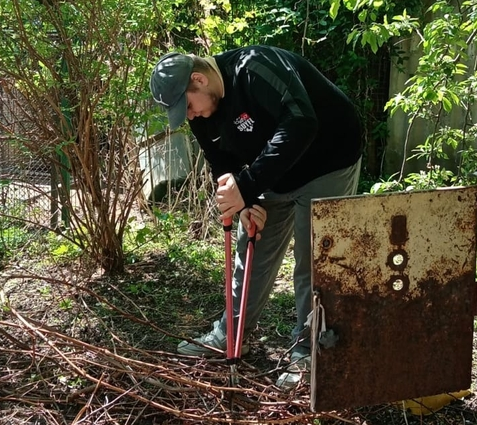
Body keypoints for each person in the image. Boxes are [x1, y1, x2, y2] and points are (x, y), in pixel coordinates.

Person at [149, 45, 362, 389]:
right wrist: (244, 202)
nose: (190, 116)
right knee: (252, 244)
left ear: (199, 80)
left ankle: (309, 352)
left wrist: (247, 186)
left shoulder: (255, 68)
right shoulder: (204, 112)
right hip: (276, 172)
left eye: (188, 106)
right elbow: (220, 160)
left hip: (329, 160)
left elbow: (302, 121)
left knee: (314, 259)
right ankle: (231, 335)